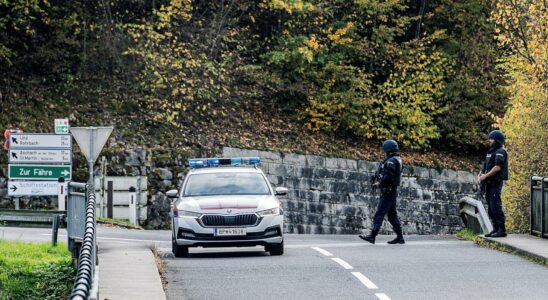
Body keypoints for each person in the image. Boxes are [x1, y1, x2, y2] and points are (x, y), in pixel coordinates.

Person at [359, 139, 404, 244]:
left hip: (388, 191)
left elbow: (388, 176)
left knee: (379, 214)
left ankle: (372, 236)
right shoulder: (397, 159)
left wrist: (379, 184)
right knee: (392, 215)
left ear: (388, 149)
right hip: (391, 191)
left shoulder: (392, 161)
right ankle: (400, 237)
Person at [478, 130, 509, 238]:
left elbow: (498, 167)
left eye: (491, 139)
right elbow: (486, 166)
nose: (489, 140)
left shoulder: (500, 151)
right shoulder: (490, 152)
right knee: (491, 207)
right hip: (489, 184)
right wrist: (480, 175)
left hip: (496, 183)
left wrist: (485, 176)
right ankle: (495, 229)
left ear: (496, 140)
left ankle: (501, 230)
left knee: (496, 206)